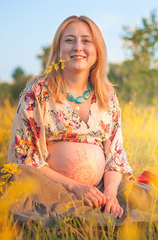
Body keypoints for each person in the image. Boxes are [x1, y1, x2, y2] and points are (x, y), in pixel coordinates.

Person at [7, 15, 132, 219]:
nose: (78, 47)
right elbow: (25, 157)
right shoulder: (38, 92)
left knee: (149, 208)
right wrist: (75, 187)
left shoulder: (107, 96)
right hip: (49, 188)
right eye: (69, 40)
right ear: (58, 50)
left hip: (100, 190)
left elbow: (115, 156)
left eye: (86, 40)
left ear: (97, 51)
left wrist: (110, 194)